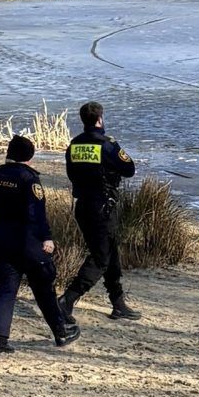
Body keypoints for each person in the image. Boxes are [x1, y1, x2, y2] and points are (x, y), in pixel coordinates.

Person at [0, 135, 81, 355]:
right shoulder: (29, 179)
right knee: (44, 289)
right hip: (27, 243)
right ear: (29, 156)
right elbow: (36, 213)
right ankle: (61, 333)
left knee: (6, 291)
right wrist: (46, 238)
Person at [59, 101, 141, 323]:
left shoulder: (74, 145)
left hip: (83, 206)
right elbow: (130, 169)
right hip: (102, 208)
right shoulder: (107, 145)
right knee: (100, 258)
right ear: (99, 119)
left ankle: (118, 302)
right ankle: (67, 300)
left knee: (110, 252)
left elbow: (71, 174)